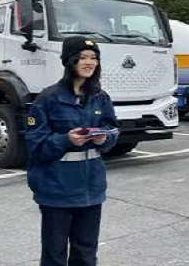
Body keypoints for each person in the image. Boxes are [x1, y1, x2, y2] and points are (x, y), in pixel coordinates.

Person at [25, 36, 119, 266]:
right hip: (57, 189)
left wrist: (104, 138)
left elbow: (113, 129)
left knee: (86, 253)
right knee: (54, 255)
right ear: (70, 61)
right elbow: (35, 146)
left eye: (94, 58)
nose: (89, 62)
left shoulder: (100, 97)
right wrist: (66, 140)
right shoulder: (48, 99)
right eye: (83, 57)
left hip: (91, 188)